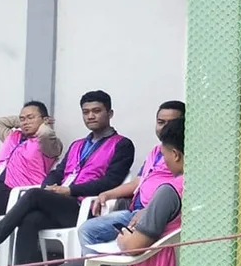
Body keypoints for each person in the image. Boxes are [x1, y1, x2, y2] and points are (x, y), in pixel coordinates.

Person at [27, 118, 183, 266]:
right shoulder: (200, 187)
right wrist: (146, 214)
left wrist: (123, 237)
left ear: (176, 154)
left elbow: (132, 246)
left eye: (166, 156)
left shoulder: (169, 191)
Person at [0, 91, 135, 266]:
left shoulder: (122, 144)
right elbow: (57, 172)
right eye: (86, 112)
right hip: (60, 203)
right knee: (31, 218)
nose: (91, 116)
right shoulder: (77, 145)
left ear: (109, 113)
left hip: (85, 207)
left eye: (96, 111)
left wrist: (70, 190)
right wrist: (50, 187)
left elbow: (112, 181)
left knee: (33, 194)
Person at [79, 101, 185, 250]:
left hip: (153, 215)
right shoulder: (156, 152)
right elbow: (138, 182)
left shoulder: (181, 164)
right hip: (134, 211)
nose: (165, 127)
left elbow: (171, 201)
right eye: (161, 122)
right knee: (88, 229)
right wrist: (106, 194)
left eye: (171, 123)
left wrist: (147, 212)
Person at [0, 102, 62, 227]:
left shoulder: (48, 144)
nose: (25, 122)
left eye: (30, 118)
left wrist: (44, 123)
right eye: (22, 119)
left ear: (44, 120)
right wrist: (24, 121)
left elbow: (46, 134)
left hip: (15, 192)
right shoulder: (12, 137)